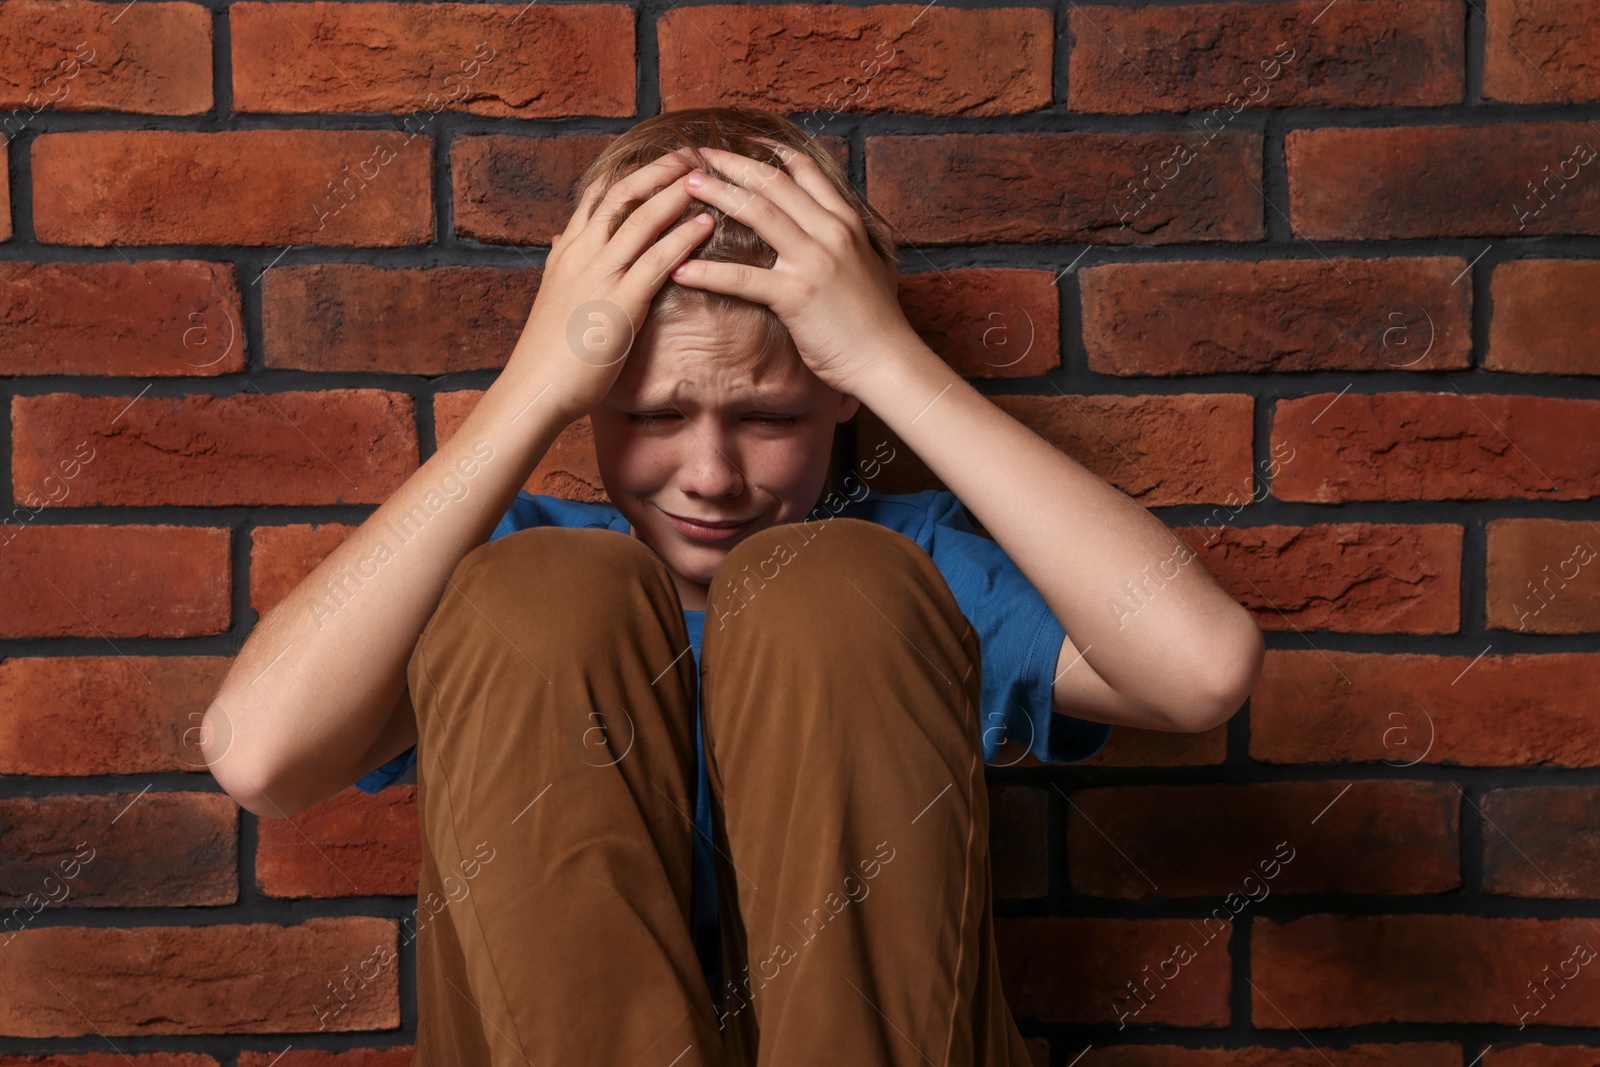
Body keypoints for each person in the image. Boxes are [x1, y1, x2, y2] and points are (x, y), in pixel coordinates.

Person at [204, 106, 1264, 1065]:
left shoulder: (913, 565)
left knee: (827, 588)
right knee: (535, 597)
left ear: (836, 398)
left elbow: (1201, 667)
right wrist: (532, 385)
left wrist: (890, 359)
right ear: (592, 399)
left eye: (767, 418)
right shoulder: (498, 570)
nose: (710, 475)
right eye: (656, 415)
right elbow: (260, 755)